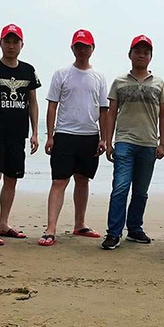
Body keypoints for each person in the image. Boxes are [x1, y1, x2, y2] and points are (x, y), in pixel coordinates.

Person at [39, 29, 109, 246]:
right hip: (65, 134)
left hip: (89, 135)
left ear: (92, 49)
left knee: (82, 179)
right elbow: (52, 106)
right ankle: (51, 229)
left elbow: (104, 110)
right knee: (59, 181)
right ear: (72, 48)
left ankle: (80, 224)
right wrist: (50, 136)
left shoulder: (99, 77)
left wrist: (104, 138)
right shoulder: (61, 74)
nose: (82, 50)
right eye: (78, 46)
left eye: (86, 46)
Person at [101, 35, 164, 250]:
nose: (141, 55)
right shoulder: (119, 82)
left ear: (151, 57)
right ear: (130, 55)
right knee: (120, 187)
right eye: (137, 51)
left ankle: (134, 228)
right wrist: (108, 141)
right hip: (124, 141)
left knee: (141, 191)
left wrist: (162, 143)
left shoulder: (159, 84)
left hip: (148, 143)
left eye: (145, 52)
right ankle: (113, 233)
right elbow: (111, 113)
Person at [0, 24, 41, 245]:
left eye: (15, 42)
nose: (11, 46)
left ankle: (3, 224)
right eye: (7, 41)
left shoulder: (28, 71)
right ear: (1, 43)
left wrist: (35, 133)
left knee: (11, 180)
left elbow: (33, 103)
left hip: (18, 134)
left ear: (22, 44)